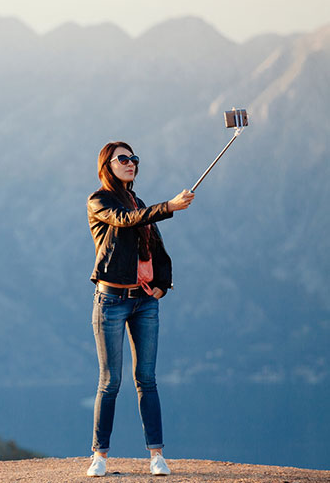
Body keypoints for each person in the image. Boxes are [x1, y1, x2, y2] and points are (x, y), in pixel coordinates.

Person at [85, 141, 195, 477]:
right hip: (111, 302)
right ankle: (99, 456)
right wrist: (170, 206)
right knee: (110, 381)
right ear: (108, 165)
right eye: (123, 159)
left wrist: (163, 282)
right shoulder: (100, 201)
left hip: (145, 301)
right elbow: (126, 220)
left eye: (134, 158)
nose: (131, 163)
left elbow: (156, 246)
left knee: (147, 379)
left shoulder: (139, 202)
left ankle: (157, 456)